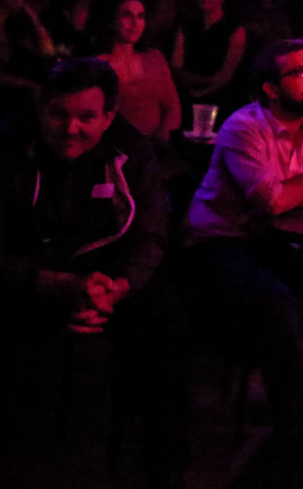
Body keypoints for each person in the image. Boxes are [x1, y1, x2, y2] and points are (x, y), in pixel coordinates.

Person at [0, 59, 186, 488]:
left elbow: (151, 236)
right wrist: (52, 284)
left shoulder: (133, 152)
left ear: (108, 115)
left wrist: (116, 288)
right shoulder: (9, 148)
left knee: (167, 320)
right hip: (30, 276)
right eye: (59, 114)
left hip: (107, 279)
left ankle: (163, 469)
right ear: (40, 107)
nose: (71, 129)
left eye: (86, 117)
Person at [186, 39, 303, 422]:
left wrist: (295, 188)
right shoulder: (243, 127)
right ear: (271, 89)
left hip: (266, 238)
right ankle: (296, 421)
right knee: (276, 304)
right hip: (216, 242)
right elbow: (272, 202)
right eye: (301, 73)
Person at [98, 0, 181, 145]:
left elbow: (173, 108)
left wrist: (162, 137)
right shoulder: (99, 64)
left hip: (156, 146)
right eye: (127, 15)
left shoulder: (154, 58)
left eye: (140, 16)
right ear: (112, 21)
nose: (135, 23)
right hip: (114, 146)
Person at [171, 0, 248, 112]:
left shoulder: (235, 29)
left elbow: (227, 73)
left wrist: (202, 92)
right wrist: (193, 87)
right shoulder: (186, 26)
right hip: (187, 95)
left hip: (222, 99)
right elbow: (176, 65)